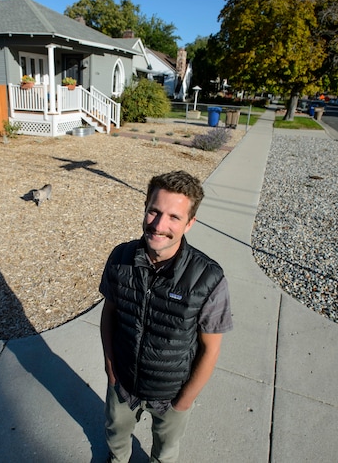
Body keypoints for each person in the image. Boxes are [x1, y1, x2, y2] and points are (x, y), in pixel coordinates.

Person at [99, 170, 233, 462]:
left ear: (190, 223)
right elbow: (109, 313)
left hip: (171, 393)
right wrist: (111, 369)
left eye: (174, 217)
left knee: (166, 453)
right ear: (145, 207)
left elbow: (211, 349)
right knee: (115, 437)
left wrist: (183, 402)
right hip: (122, 384)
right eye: (154, 212)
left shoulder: (208, 278)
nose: (159, 225)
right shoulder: (120, 258)